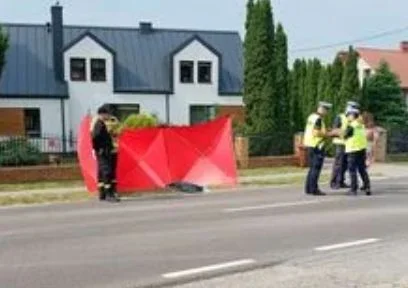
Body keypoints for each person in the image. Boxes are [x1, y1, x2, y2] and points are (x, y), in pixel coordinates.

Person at [304, 101, 335, 196]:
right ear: (322, 109)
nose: (326, 113)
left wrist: (326, 130)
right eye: (326, 110)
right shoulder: (318, 119)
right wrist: (329, 134)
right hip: (316, 145)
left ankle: (308, 188)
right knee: (316, 168)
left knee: (312, 168)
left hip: (309, 144)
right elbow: (316, 132)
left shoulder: (311, 117)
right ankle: (314, 189)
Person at [91, 104, 120, 202]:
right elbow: (95, 138)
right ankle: (108, 194)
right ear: (103, 114)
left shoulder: (101, 123)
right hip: (103, 151)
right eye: (108, 114)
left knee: (103, 171)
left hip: (106, 150)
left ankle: (103, 193)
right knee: (107, 171)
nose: (109, 116)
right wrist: (97, 149)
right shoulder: (99, 124)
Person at [330, 101, 360, 189]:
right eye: (353, 108)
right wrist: (343, 133)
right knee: (339, 163)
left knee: (345, 164)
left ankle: (341, 181)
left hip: (349, 144)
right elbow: (335, 130)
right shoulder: (340, 117)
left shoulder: (354, 119)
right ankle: (334, 182)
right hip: (340, 143)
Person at [344, 107, 371, 196]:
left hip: (352, 150)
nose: (347, 117)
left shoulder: (351, 126)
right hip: (361, 150)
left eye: (348, 115)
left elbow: (345, 136)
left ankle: (353, 189)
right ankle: (367, 187)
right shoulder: (361, 125)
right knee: (362, 169)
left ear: (352, 115)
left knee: (352, 170)